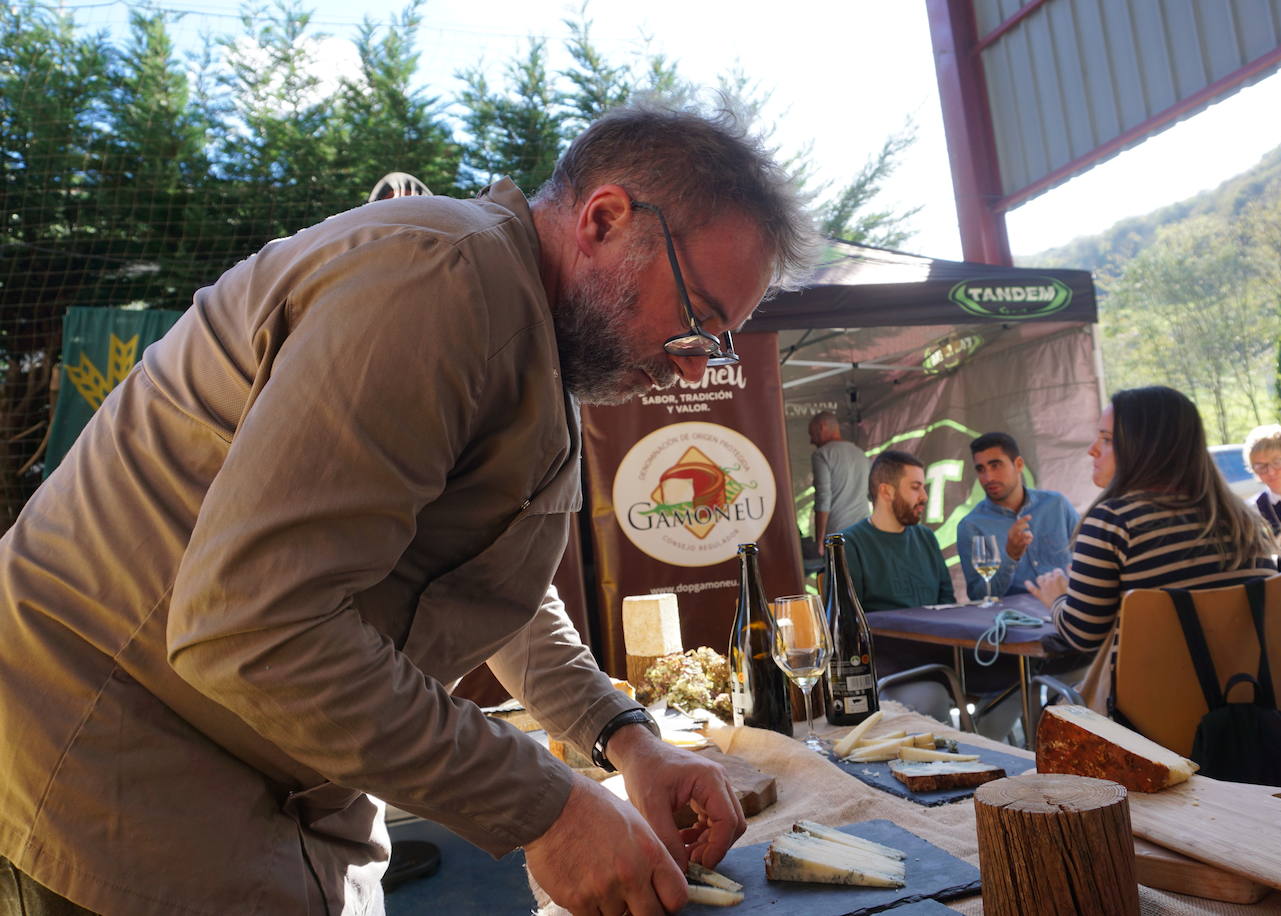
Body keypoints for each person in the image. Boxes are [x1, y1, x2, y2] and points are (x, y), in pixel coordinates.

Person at [0, 104, 817, 916]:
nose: (689, 368)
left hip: (279, 800)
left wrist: (625, 738)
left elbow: (495, 591)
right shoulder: (440, 280)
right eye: (696, 318)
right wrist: (549, 806)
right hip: (104, 778)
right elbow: (250, 624)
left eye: (715, 342)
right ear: (604, 218)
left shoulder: (533, 350)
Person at [1027, 386, 1278, 712]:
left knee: (1051, 709)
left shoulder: (1113, 522)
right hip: (1252, 709)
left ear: (1144, 448)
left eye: (1106, 439)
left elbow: (1083, 636)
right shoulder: (1246, 522)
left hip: (1153, 724)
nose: (1092, 450)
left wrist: (1056, 598)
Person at [839, 450, 955, 718]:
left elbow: (948, 603)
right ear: (886, 491)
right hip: (889, 669)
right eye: (915, 488)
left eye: (923, 487)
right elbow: (847, 626)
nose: (924, 497)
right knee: (934, 698)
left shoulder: (926, 538)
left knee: (1014, 678)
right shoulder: (849, 544)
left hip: (942, 660)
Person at [956, 431, 1078, 602]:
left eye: (995, 465)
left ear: (1019, 464)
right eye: (981, 469)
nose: (988, 477)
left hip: (1068, 609)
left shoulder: (1056, 505)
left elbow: (1089, 560)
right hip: (1014, 622)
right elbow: (980, 596)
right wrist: (1010, 557)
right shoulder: (971, 526)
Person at [808, 410, 870, 548]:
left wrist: (819, 541)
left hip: (838, 534)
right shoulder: (861, 454)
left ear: (822, 427)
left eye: (812, 434)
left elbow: (823, 498)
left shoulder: (822, 455)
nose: (811, 441)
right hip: (864, 533)